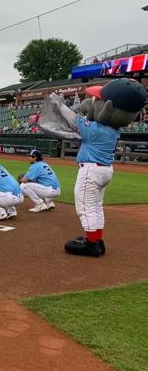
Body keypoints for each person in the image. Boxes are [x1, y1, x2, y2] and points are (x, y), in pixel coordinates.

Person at [54, 78, 148, 256]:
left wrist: (59, 104)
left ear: (108, 108)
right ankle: (96, 238)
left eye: (98, 100)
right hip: (104, 170)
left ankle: (91, 244)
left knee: (85, 206)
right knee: (96, 205)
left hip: (91, 170)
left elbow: (74, 119)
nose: (94, 101)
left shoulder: (97, 129)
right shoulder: (113, 130)